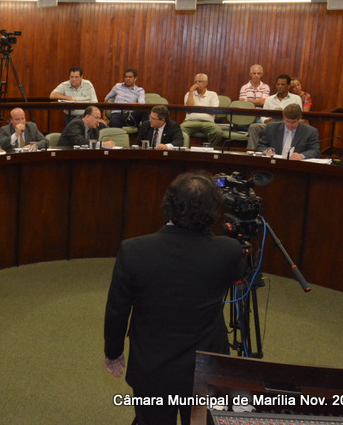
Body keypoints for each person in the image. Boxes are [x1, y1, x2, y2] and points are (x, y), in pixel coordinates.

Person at [103, 172, 246, 425]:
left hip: (152, 368)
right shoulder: (229, 251)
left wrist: (113, 353)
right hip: (206, 368)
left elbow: (117, 310)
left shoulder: (134, 250)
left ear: (168, 205)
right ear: (213, 210)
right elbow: (239, 277)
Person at [246, 74, 303, 150]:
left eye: (283, 84)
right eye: (278, 84)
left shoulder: (296, 99)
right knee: (254, 127)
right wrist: (267, 120)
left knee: (279, 110)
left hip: (288, 125)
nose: (280, 86)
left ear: (288, 86)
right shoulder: (269, 99)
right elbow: (263, 116)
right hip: (271, 125)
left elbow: (299, 115)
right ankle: (251, 152)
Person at [181, 73, 223, 148]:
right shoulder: (189, 94)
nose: (197, 83)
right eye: (195, 81)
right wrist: (191, 91)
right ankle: (187, 151)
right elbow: (189, 109)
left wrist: (197, 109)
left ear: (206, 83)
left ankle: (209, 151)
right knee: (180, 130)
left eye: (200, 81)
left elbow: (213, 110)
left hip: (208, 122)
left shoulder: (213, 94)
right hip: (191, 121)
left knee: (218, 132)